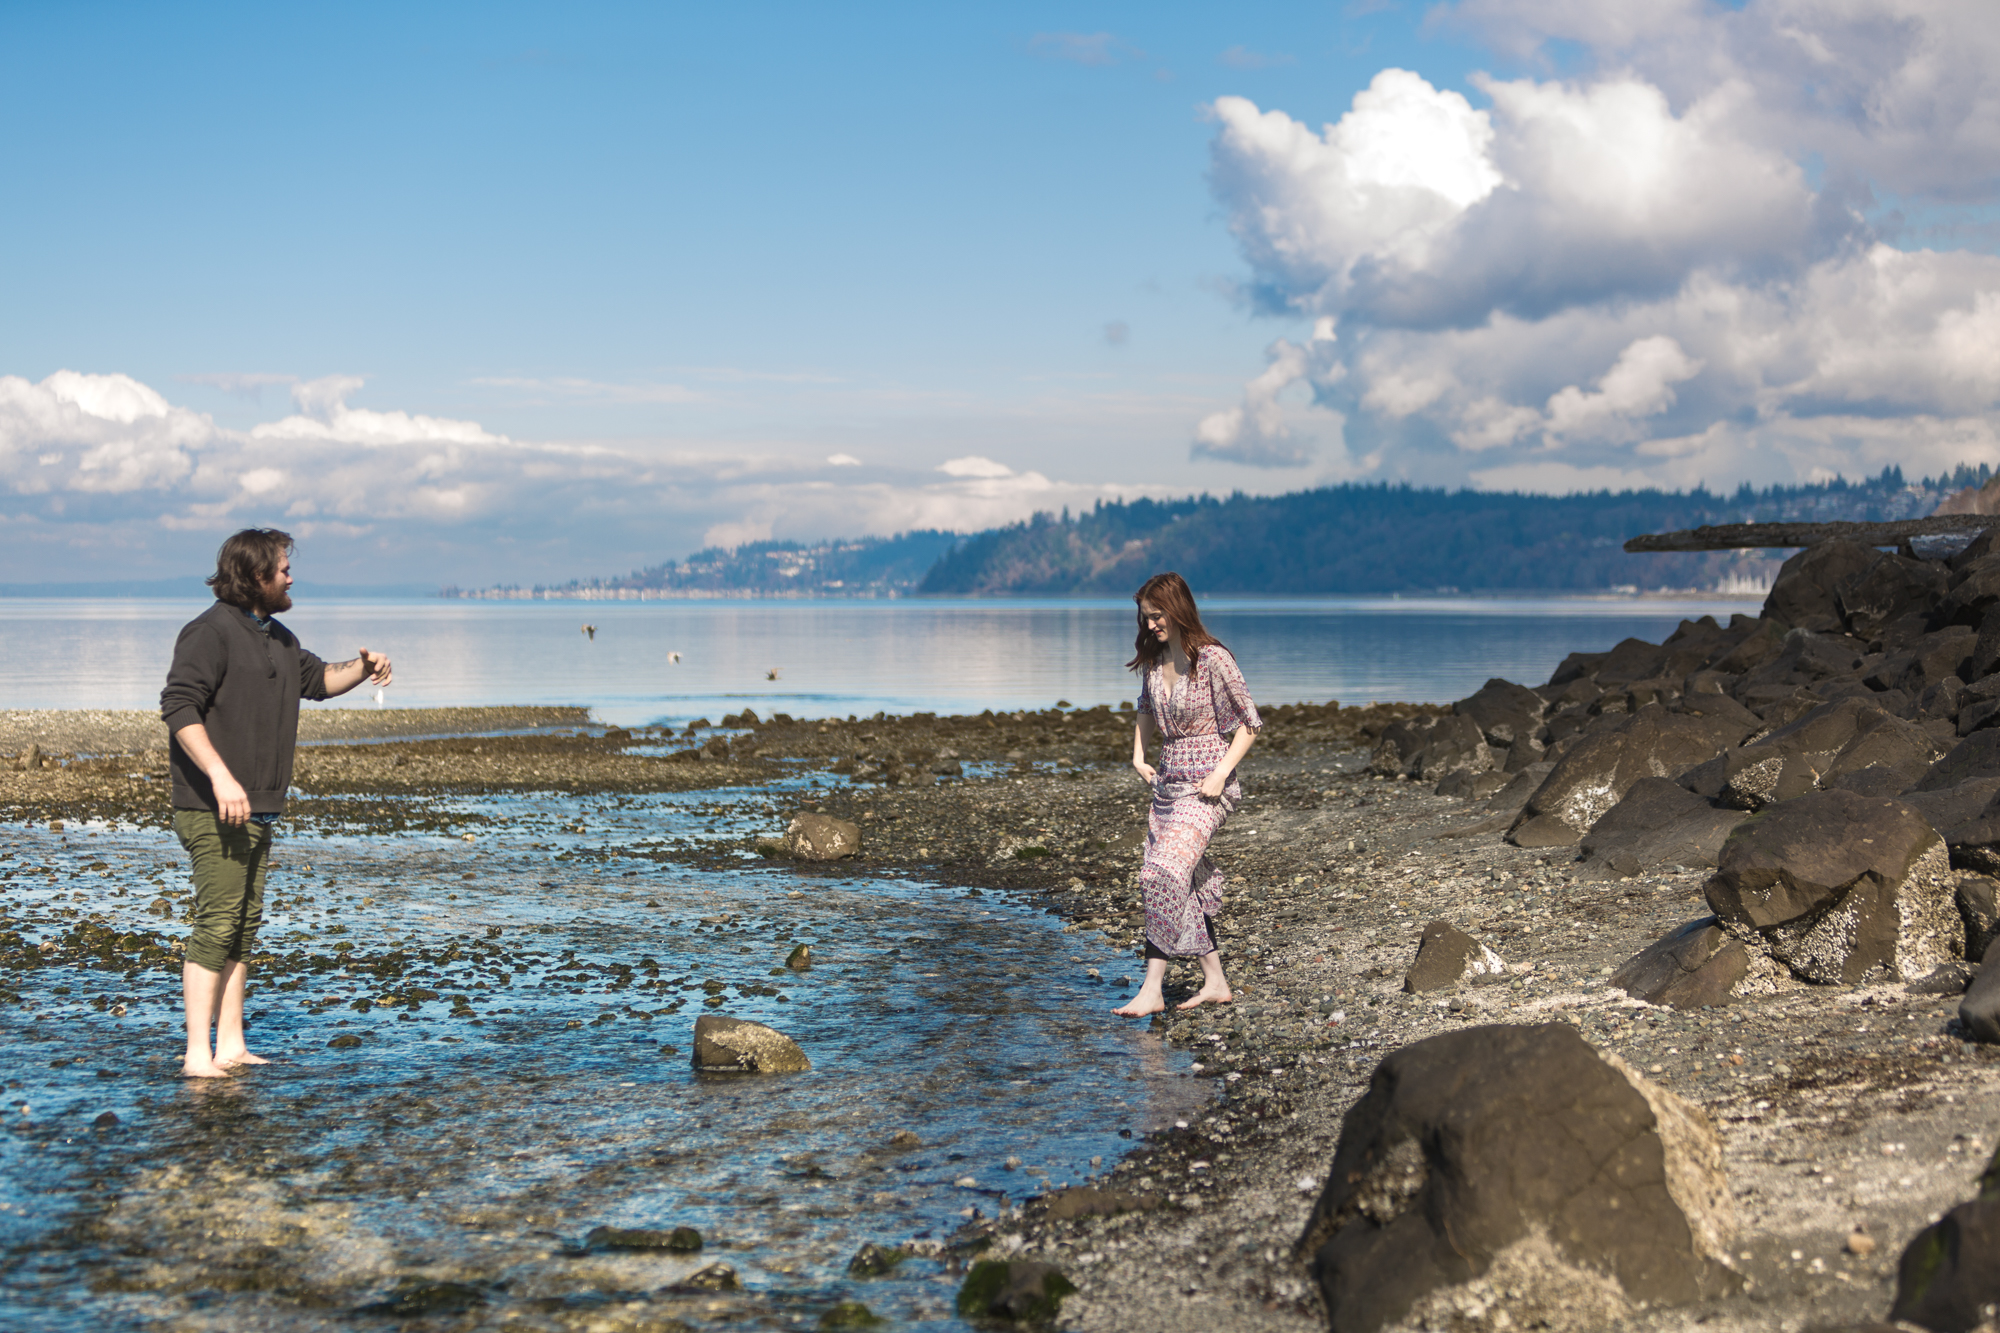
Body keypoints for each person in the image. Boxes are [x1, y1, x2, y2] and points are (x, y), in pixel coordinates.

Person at [160, 529, 393, 1078]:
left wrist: (365, 666)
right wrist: (220, 777)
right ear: (256, 575)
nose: (291, 576)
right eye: (283, 568)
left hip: (260, 804)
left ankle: (232, 1045)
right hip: (209, 804)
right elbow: (178, 708)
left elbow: (320, 679)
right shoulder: (208, 632)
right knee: (217, 922)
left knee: (243, 924)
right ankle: (198, 1054)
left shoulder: (279, 638)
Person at [1114, 572, 1260, 1017]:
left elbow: (1249, 724)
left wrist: (1220, 774)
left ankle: (1152, 987)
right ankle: (1215, 981)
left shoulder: (1213, 659)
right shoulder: (1156, 662)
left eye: (1157, 616)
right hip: (1166, 788)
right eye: (1146, 618)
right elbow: (1143, 708)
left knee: (1159, 874)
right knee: (1184, 882)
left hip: (1207, 790)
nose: (1152, 625)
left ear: (1177, 610)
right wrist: (1139, 756)